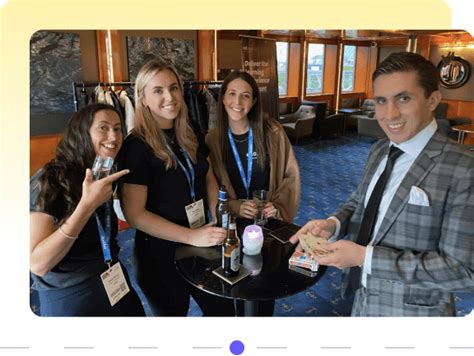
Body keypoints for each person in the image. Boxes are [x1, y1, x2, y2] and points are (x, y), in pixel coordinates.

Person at [291, 52, 474, 317]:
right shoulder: (379, 149)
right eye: (381, 101)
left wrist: (363, 258)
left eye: (404, 98)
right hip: (362, 299)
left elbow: (463, 271)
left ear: (432, 100)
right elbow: (360, 201)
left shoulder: (465, 168)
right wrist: (333, 224)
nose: (390, 114)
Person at [119, 60, 235, 316]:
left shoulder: (190, 129)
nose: (169, 97)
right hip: (161, 252)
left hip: (201, 238)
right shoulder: (136, 146)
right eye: (158, 91)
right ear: (143, 98)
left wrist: (216, 211)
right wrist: (191, 237)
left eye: (174, 88)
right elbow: (134, 215)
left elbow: (207, 175)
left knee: (224, 312)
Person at [30, 103, 145, 316]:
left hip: (112, 276)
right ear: (82, 133)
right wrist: (87, 205)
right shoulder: (50, 179)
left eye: (118, 128)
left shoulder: (102, 173)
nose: (113, 136)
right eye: (103, 128)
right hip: (70, 292)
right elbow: (38, 264)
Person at [205, 70, 300, 223]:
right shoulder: (212, 140)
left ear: (254, 101)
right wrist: (236, 207)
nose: (238, 102)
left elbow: (291, 177)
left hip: (267, 220)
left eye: (245, 96)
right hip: (232, 223)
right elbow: (210, 187)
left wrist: (276, 206)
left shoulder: (273, 133)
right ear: (222, 98)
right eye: (232, 94)